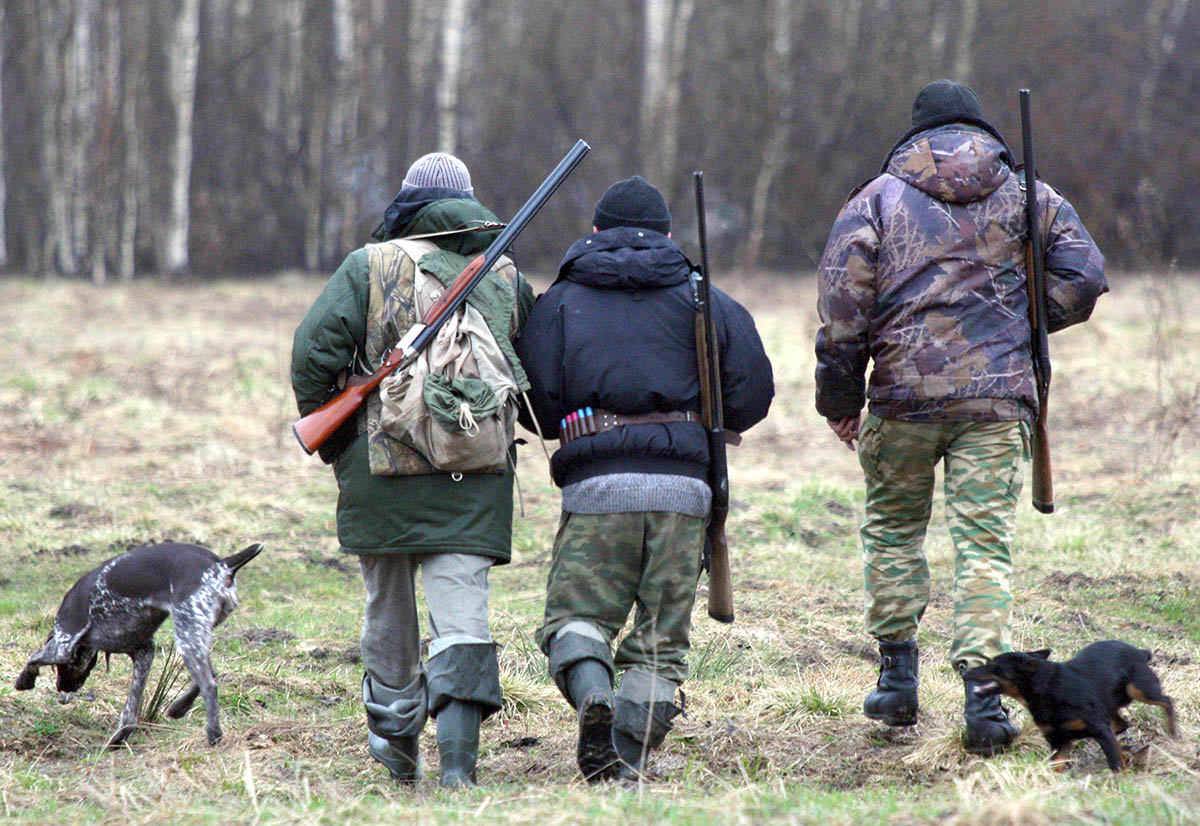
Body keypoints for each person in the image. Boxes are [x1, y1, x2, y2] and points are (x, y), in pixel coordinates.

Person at [814, 80, 1107, 754]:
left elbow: (842, 309)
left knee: (893, 531)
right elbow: (1084, 275)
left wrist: (841, 401)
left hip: (901, 400)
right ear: (980, 129)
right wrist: (1023, 325)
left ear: (914, 133)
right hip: (996, 403)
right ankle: (984, 699)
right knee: (983, 547)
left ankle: (895, 681)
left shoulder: (874, 201)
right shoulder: (1029, 194)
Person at [517, 175, 774, 782]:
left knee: (575, 620)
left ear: (596, 231)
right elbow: (753, 394)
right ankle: (625, 761)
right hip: (684, 493)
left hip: (596, 489)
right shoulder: (704, 297)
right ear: (666, 234)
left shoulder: (560, 300)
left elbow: (535, 400)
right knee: (660, 644)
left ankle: (593, 697)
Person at [290, 152, 533, 787]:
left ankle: (398, 751)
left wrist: (340, 438)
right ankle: (459, 769)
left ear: (407, 201)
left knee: (388, 614)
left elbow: (313, 353)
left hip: (381, 476)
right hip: (475, 472)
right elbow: (531, 368)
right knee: (462, 615)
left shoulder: (367, 266)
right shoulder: (505, 274)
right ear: (469, 203)